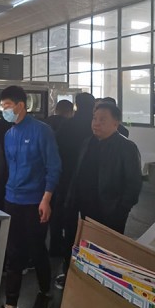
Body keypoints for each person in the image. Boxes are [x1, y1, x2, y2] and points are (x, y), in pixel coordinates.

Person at [56, 102, 143, 289]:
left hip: (110, 210)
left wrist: (122, 209)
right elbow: (78, 174)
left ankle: (107, 286)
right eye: (94, 118)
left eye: (102, 120)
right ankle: (86, 279)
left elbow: (134, 183)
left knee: (108, 250)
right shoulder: (88, 143)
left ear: (116, 123)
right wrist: (71, 200)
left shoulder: (127, 147)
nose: (96, 123)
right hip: (85, 208)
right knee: (86, 246)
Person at [0, 86, 61, 308]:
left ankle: (45, 292)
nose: (4, 111)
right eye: (3, 107)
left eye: (7, 106)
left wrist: (46, 199)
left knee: (37, 250)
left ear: (20, 105)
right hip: (12, 199)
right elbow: (11, 168)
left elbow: (54, 167)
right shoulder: (9, 134)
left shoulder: (42, 131)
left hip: (35, 201)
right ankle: (11, 307)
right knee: (14, 253)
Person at [50, 93, 95, 260]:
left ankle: (60, 248)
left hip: (66, 176)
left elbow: (56, 149)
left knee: (63, 213)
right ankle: (87, 252)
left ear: (77, 105)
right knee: (89, 218)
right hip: (90, 180)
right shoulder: (94, 126)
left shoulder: (68, 125)